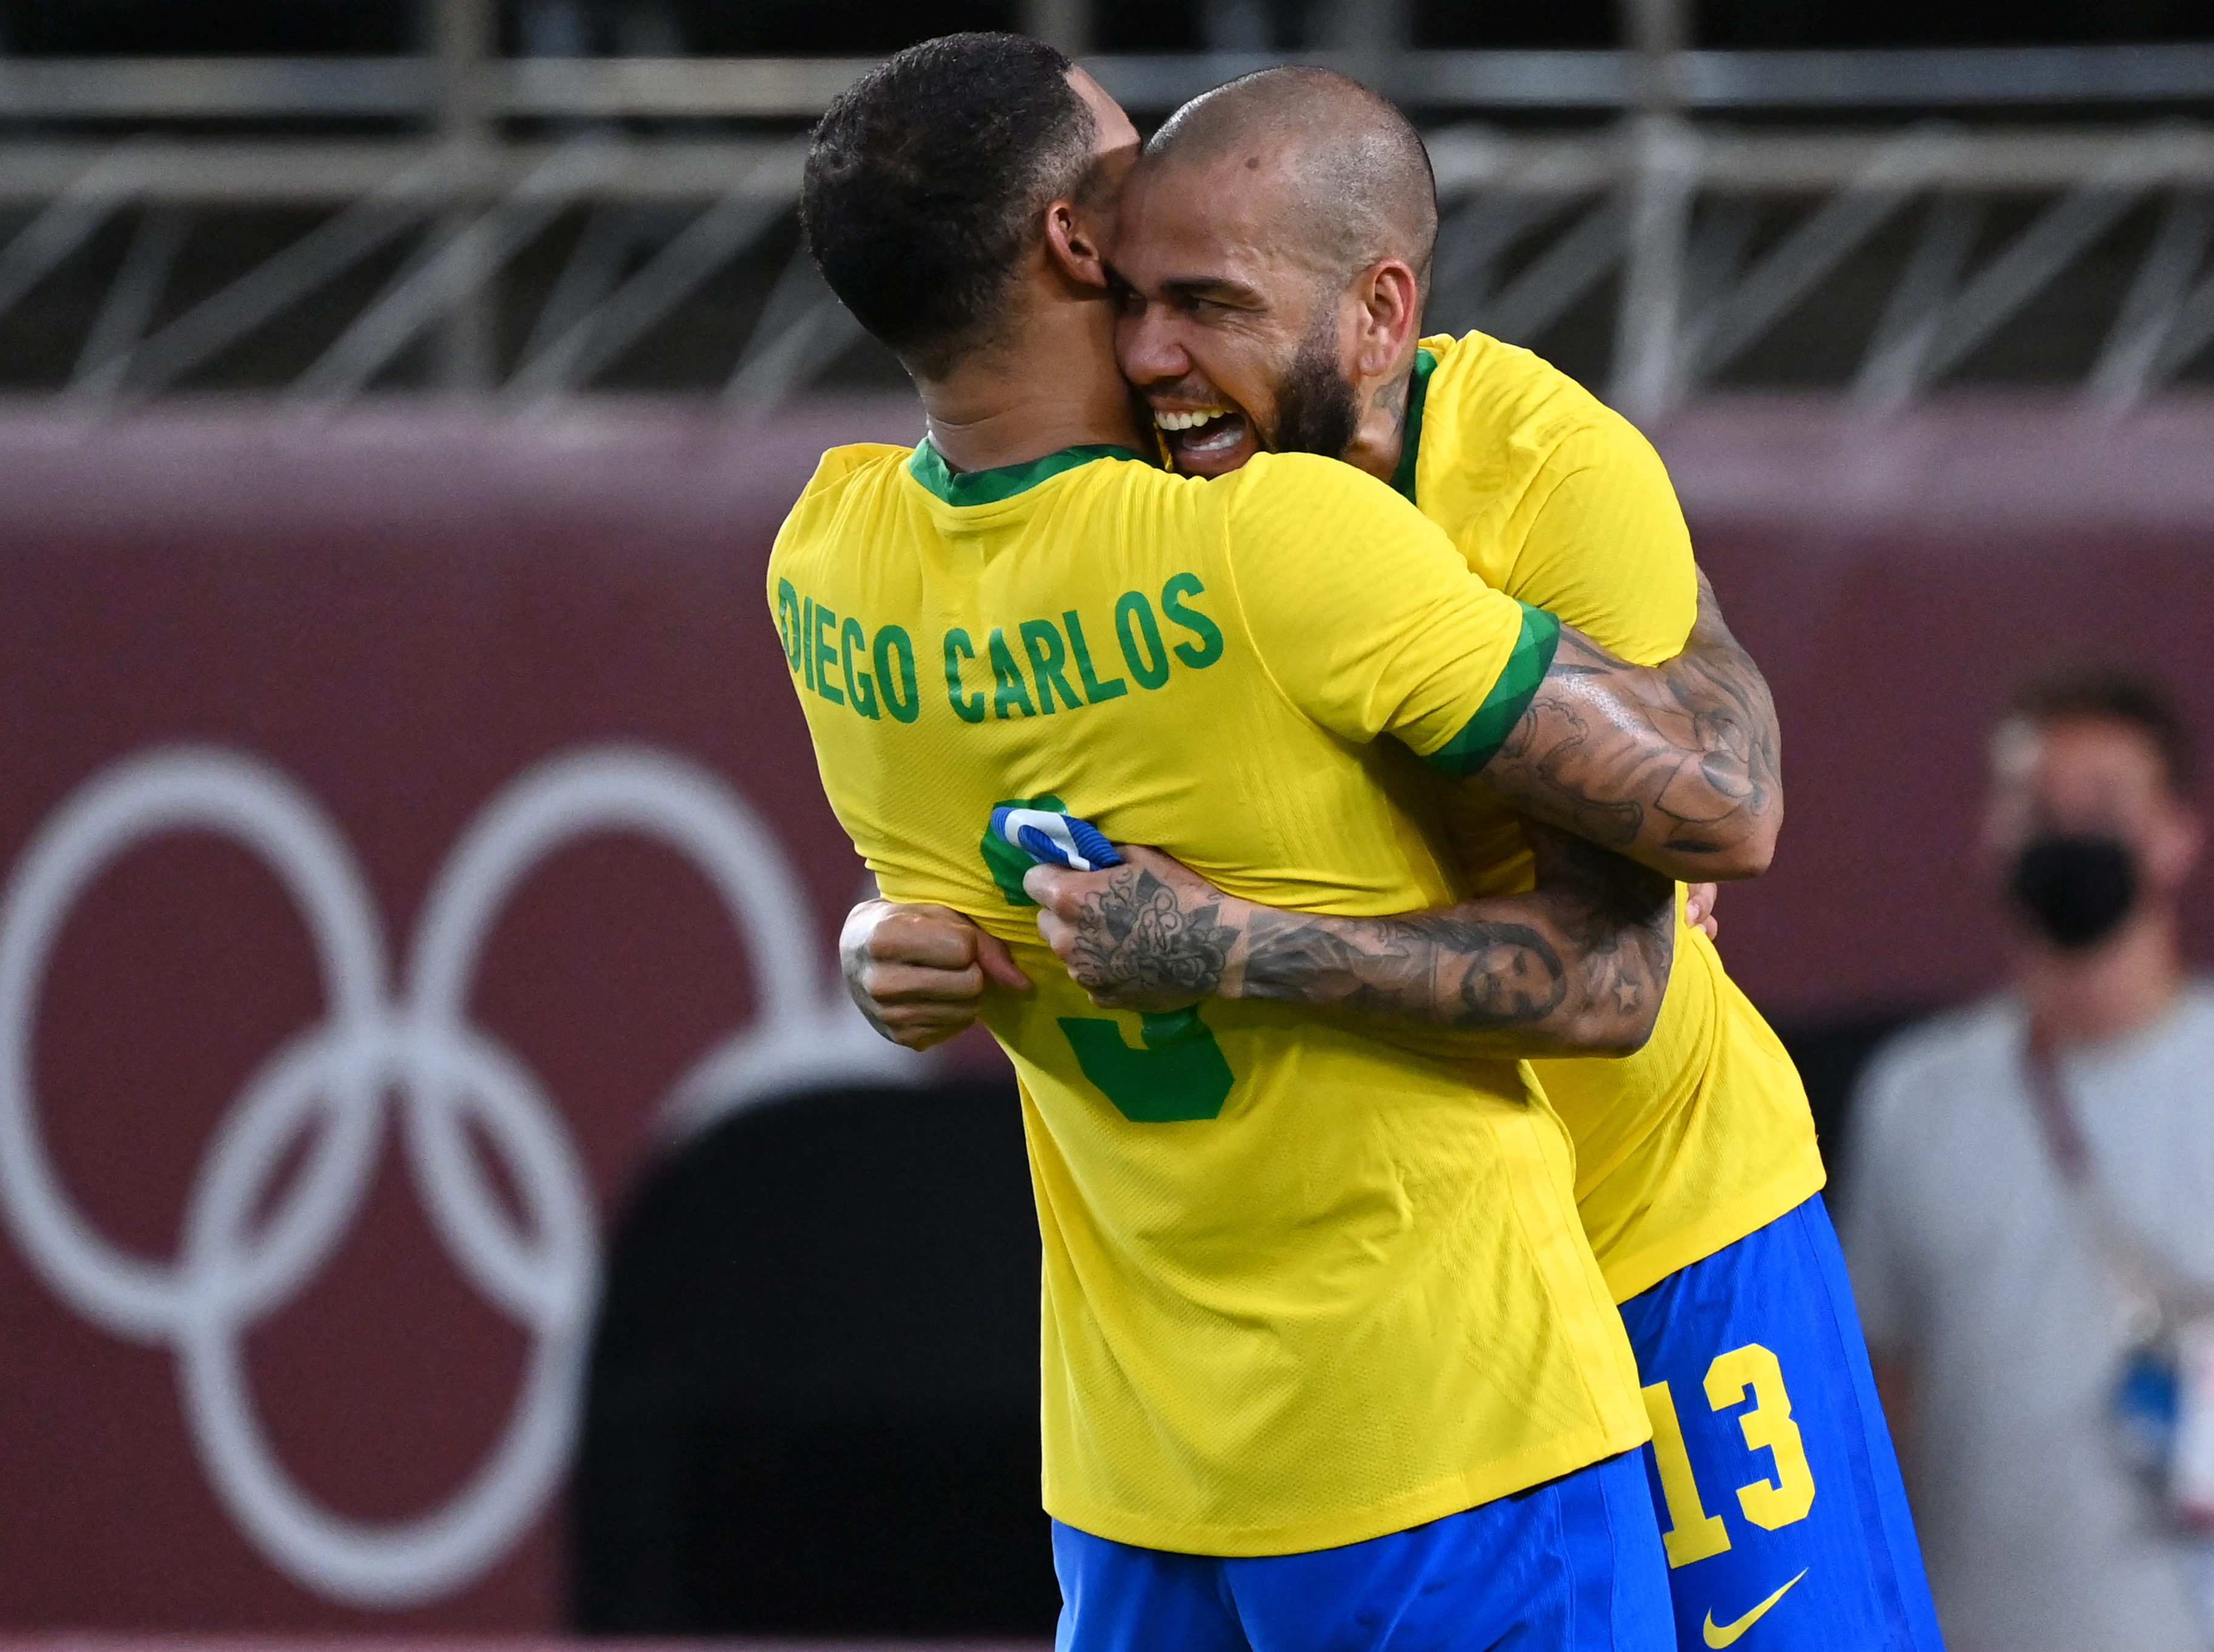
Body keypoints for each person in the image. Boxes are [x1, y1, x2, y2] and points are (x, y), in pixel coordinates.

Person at [845, 66, 1944, 1652]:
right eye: (1134, 303)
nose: (1154, 359)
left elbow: (1651, 924)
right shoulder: (1153, 491)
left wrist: (1230, 944)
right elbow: (1000, 776)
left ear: (1377, 312)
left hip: (1663, 1236)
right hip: (1400, 1353)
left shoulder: (1537, 466)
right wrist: (889, 930)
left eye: (1209, 306)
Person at [1843, 668, 2213, 1652]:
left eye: (2102, 802)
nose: (2066, 829)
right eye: (2034, 803)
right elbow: (1878, 1398)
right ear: (1990, 835)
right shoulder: (1913, 1097)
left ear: (2178, 833)